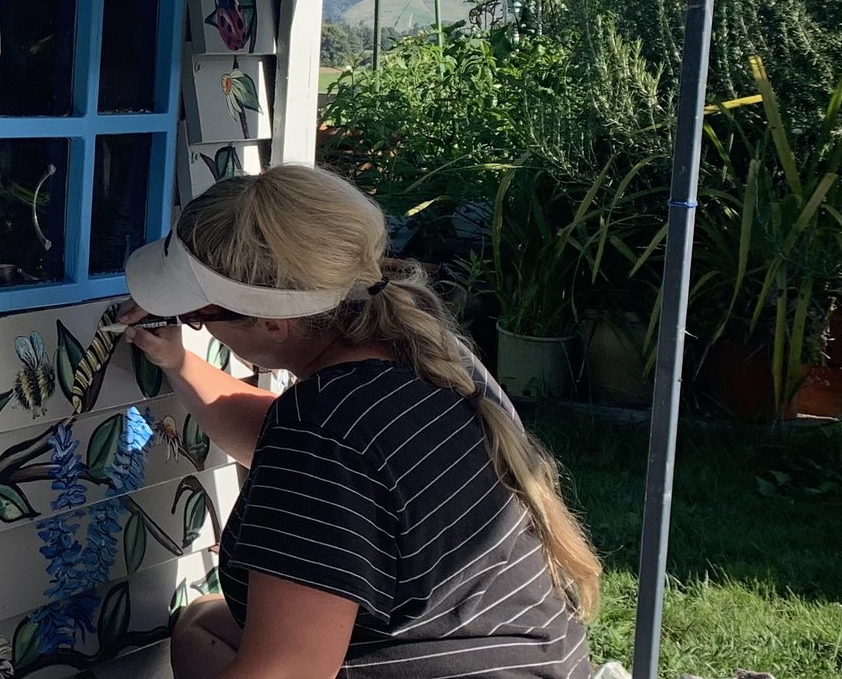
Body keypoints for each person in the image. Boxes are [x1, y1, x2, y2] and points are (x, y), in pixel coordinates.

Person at [116, 165, 598, 679]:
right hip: (533, 659)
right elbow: (305, 454)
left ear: (273, 323)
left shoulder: (321, 430)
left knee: (206, 635)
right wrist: (181, 361)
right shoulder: (423, 352)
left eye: (199, 316)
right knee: (200, 624)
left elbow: (285, 673)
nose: (195, 323)